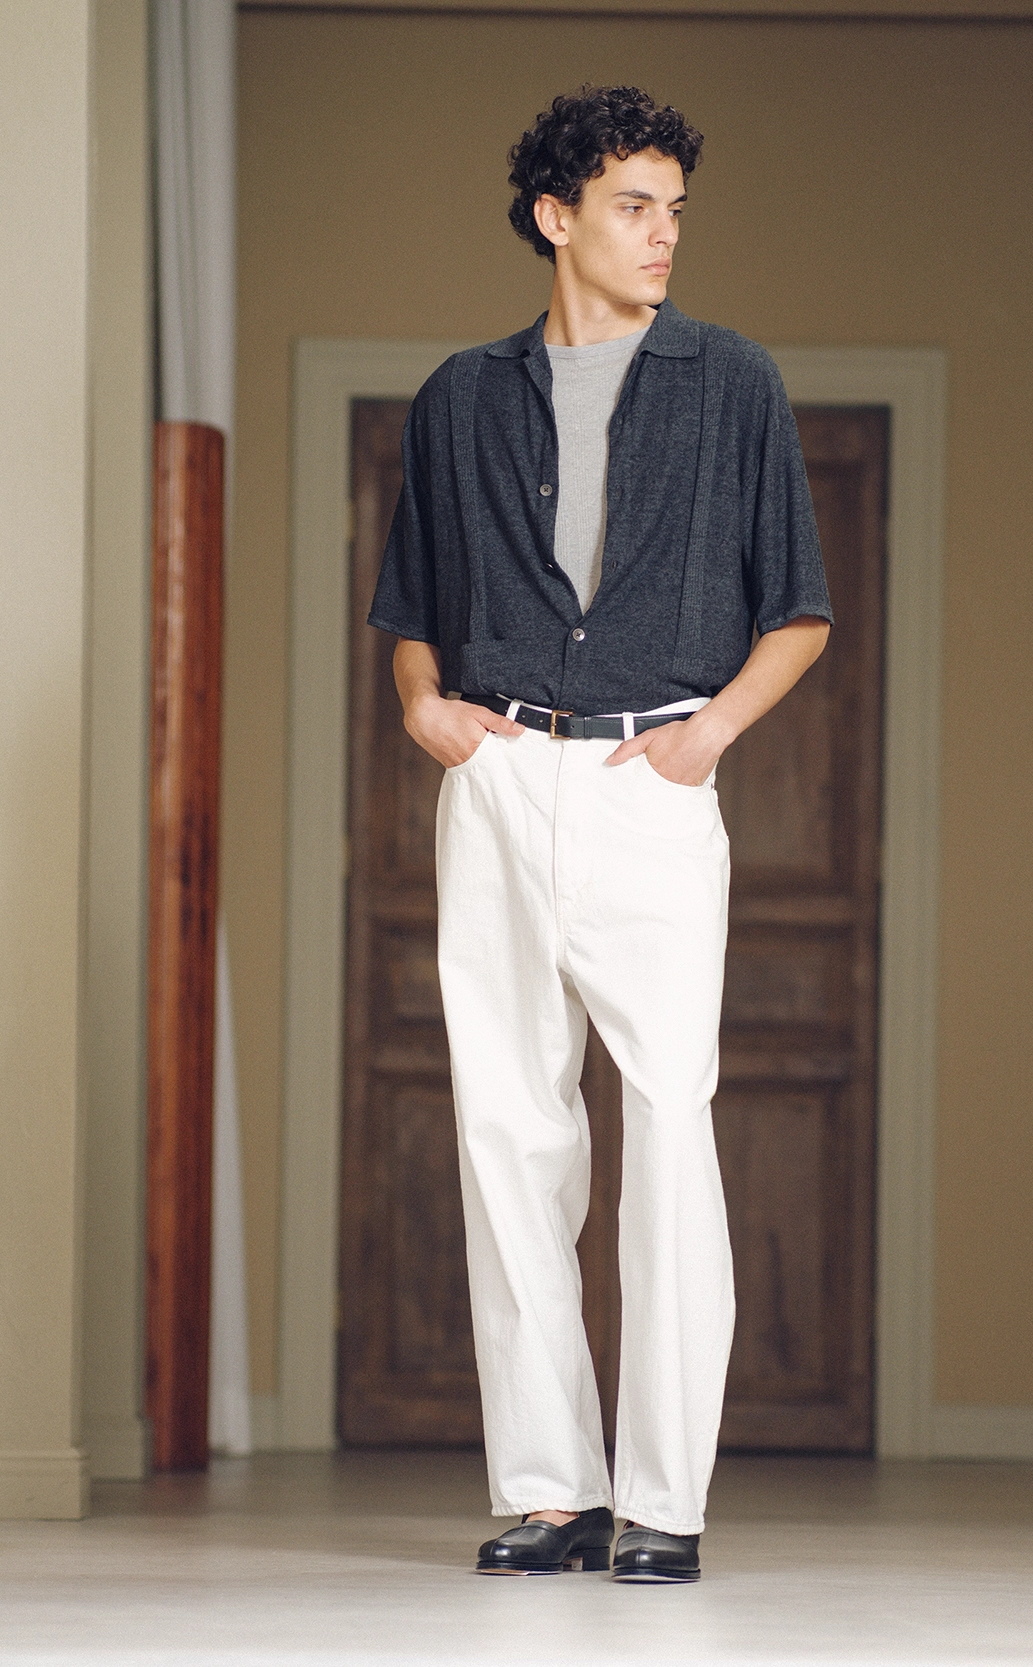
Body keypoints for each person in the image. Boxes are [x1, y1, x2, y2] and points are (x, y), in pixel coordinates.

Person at [369, 85, 832, 1582]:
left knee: (669, 1127)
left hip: (653, 779)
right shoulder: (460, 397)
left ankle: (663, 1502)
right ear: (554, 216)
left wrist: (705, 739)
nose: (663, 234)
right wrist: (424, 705)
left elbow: (800, 610)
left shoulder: (731, 382)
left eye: (675, 210)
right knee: (509, 1130)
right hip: (501, 779)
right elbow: (411, 609)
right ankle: (553, 1488)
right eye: (635, 206)